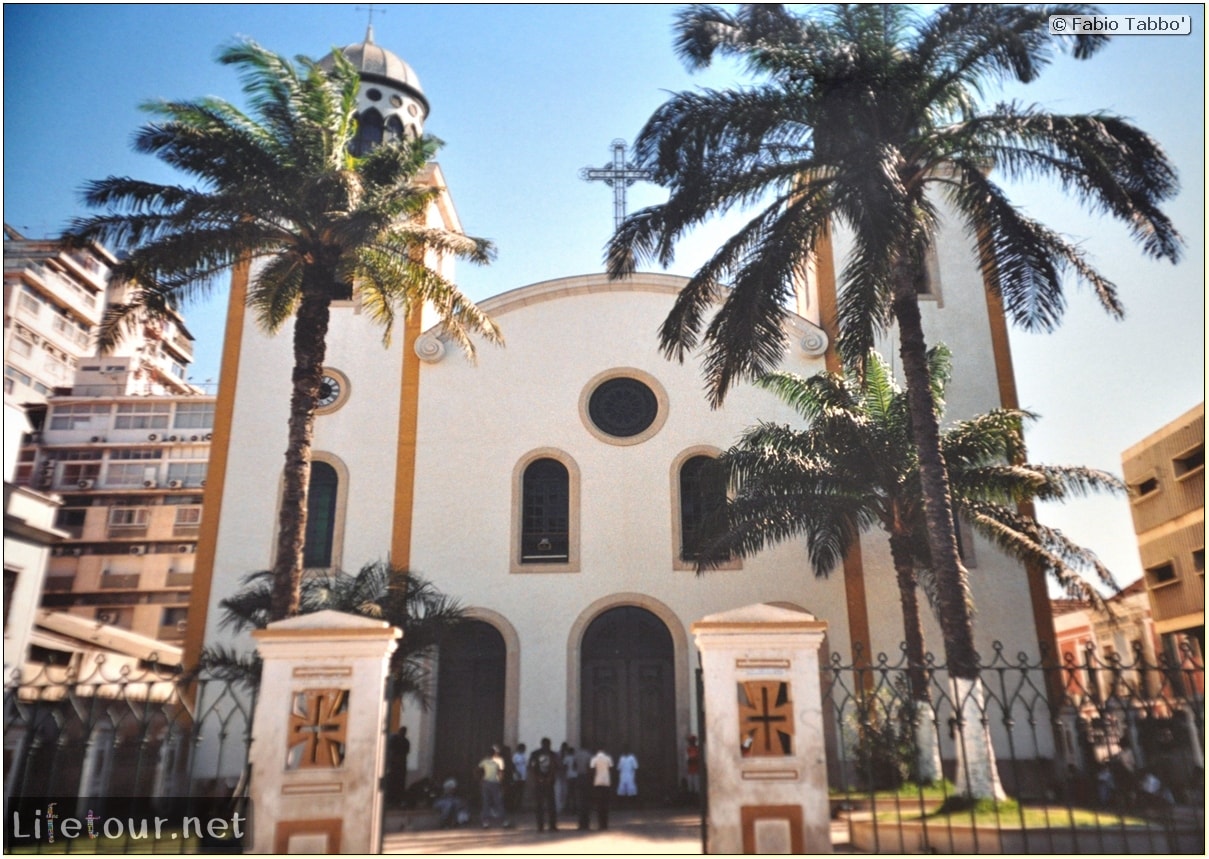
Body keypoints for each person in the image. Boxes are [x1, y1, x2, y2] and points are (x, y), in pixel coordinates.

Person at [529, 737, 560, 832]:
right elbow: (555, 767)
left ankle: (542, 826)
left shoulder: (535, 754)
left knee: (542, 805)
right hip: (546, 782)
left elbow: (532, 767)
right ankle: (550, 825)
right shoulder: (552, 754)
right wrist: (548, 778)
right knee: (548, 805)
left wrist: (538, 778)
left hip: (542, 782)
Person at [477, 744, 508, 828]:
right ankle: (500, 821)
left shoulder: (492, 761)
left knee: (492, 802)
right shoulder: (495, 761)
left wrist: (500, 782)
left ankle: (492, 821)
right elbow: (501, 773)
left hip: (491, 783)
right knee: (492, 802)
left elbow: (501, 772)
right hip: (491, 783)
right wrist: (500, 782)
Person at [589, 745, 614, 830]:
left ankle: (600, 824)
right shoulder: (608, 758)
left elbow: (592, 770)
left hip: (597, 782)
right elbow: (611, 769)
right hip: (606, 782)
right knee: (605, 804)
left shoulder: (594, 759)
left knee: (599, 805)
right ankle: (605, 825)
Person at [574, 745, 593, 830]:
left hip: (579, 777)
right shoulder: (589, 755)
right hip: (586, 778)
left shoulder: (576, 755)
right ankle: (586, 824)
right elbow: (590, 767)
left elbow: (574, 766)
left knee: (580, 802)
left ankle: (581, 824)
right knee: (587, 802)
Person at [509, 742, 528, 815]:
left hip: (523, 776)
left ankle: (519, 807)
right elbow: (513, 766)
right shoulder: (515, 756)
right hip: (517, 777)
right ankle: (514, 807)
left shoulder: (524, 755)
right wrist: (517, 773)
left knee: (521, 792)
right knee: (516, 792)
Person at [562, 743, 579, 816]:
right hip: (575, 776)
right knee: (574, 793)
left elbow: (564, 767)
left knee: (569, 793)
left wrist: (564, 774)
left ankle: (567, 809)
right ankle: (574, 809)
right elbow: (576, 766)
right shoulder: (575, 757)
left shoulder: (567, 758)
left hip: (569, 776)